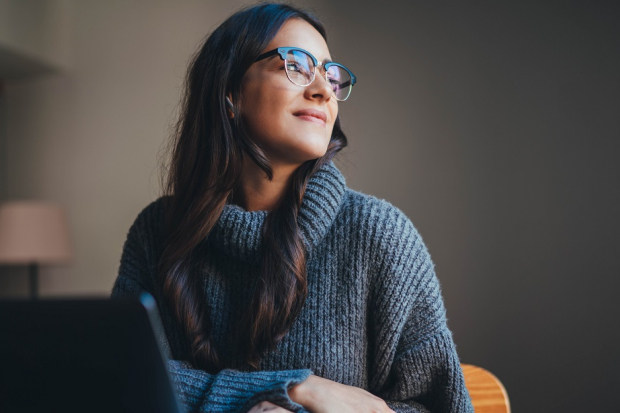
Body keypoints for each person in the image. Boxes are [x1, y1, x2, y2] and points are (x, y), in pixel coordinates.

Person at [111, 3, 474, 413]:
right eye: (297, 66)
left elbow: (440, 406)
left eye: (330, 76)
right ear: (230, 92)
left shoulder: (379, 235)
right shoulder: (157, 232)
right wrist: (300, 389)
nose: (322, 90)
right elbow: (118, 378)